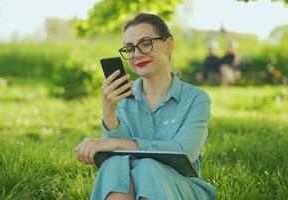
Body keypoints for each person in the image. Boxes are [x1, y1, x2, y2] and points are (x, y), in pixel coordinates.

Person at [74, 13, 215, 200]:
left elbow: (183, 152)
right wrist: (109, 112)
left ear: (169, 45)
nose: (137, 54)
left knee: (148, 167)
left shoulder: (196, 99)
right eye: (130, 48)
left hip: (182, 187)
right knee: (115, 165)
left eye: (146, 43)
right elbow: (117, 158)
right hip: (130, 189)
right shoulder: (122, 99)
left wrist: (116, 143)